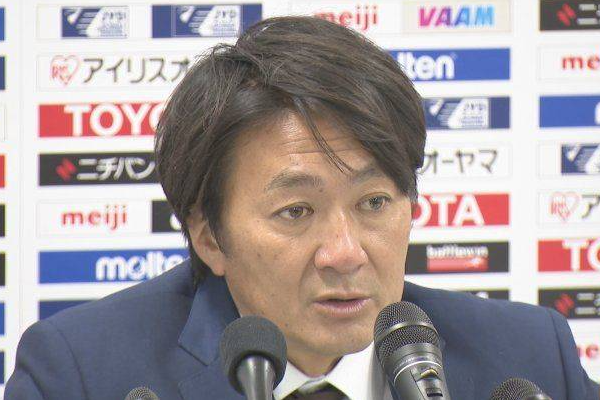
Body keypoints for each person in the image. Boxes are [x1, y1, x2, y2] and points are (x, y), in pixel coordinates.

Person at [5, 16, 599, 400]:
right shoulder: (81, 374)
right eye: (295, 211)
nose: (345, 252)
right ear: (209, 236)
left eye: (373, 202)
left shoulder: (528, 357)